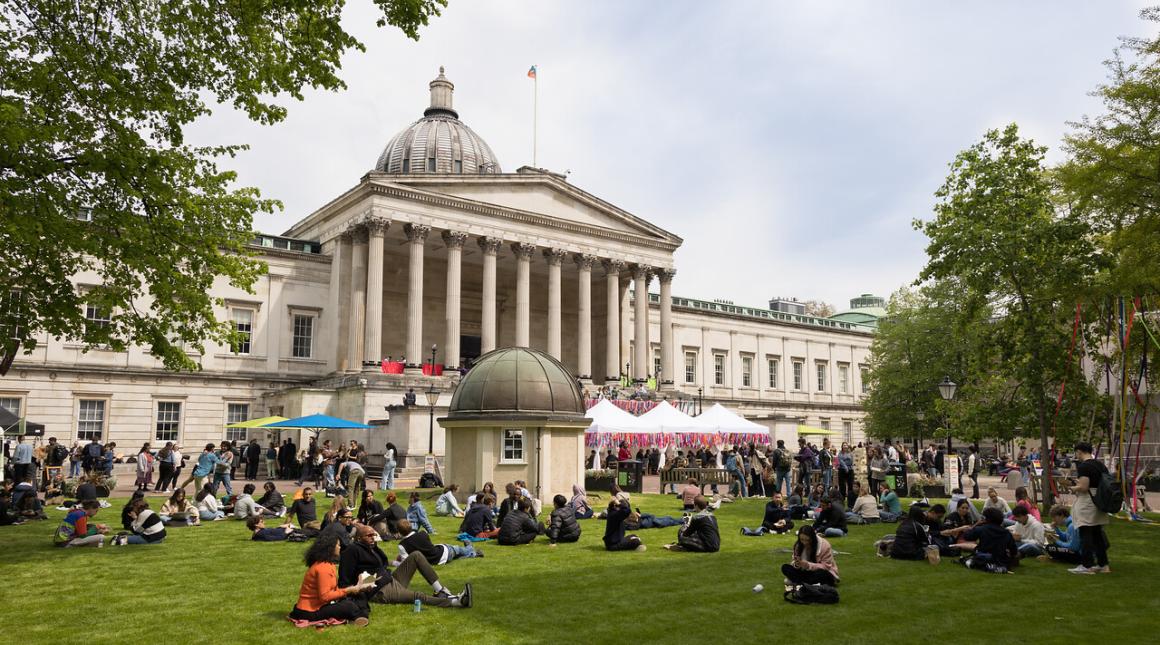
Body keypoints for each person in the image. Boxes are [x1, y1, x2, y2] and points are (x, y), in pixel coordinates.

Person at [337, 524, 472, 610]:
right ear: (359, 538)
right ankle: (456, 602)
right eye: (369, 535)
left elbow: (382, 564)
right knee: (417, 596)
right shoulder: (352, 551)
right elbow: (345, 580)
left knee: (416, 555)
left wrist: (394, 564)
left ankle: (440, 590)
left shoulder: (372, 547)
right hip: (378, 590)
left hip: (389, 579)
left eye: (374, 534)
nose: (373, 538)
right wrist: (366, 584)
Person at [288, 533, 375, 626]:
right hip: (310, 611)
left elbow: (331, 591)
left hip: (315, 606)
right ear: (330, 548)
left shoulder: (328, 564)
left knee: (357, 598)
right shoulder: (323, 568)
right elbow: (325, 597)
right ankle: (359, 617)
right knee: (349, 606)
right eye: (338, 545)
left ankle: (359, 617)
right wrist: (348, 590)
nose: (340, 547)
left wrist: (354, 588)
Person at [1068, 441, 1111, 574]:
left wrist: (1072, 487)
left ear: (1079, 451)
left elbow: (1084, 487)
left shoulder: (1084, 466)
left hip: (1088, 501)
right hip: (1099, 500)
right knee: (1097, 533)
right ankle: (1103, 564)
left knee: (1085, 533)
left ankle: (1087, 565)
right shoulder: (1100, 465)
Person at [960, 507, 1019, 574]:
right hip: (1000, 559)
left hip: (984, 557)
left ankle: (982, 564)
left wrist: (975, 525)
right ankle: (997, 566)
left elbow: (967, 536)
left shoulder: (982, 529)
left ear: (986, 518)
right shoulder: (1006, 533)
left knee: (973, 556)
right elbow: (1014, 550)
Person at [396, 519, 480, 565]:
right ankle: (470, 549)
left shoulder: (402, 545)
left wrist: (396, 561)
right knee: (459, 550)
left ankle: (473, 553)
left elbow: (406, 563)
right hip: (442, 553)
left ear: (399, 532)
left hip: (434, 561)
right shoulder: (423, 533)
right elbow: (428, 547)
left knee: (457, 554)